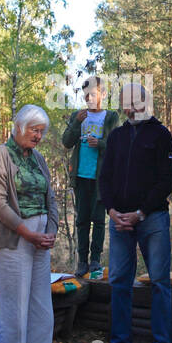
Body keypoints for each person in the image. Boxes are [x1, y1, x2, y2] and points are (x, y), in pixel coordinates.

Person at [98, 81, 172, 343]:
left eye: (135, 102)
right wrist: (112, 211)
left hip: (152, 218)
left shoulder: (160, 134)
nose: (130, 109)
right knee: (118, 280)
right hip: (119, 221)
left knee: (159, 281)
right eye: (126, 104)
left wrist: (141, 212)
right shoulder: (117, 136)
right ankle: (120, 342)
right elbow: (104, 178)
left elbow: (166, 180)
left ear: (147, 102)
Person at [0, 105, 59, 343]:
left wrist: (50, 230)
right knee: (14, 306)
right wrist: (27, 232)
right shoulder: (1, 155)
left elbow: (49, 197)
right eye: (34, 130)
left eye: (41, 131)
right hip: (14, 239)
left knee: (40, 304)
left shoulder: (38, 158)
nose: (38, 136)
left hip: (40, 238)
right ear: (18, 127)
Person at [61, 75, 119, 277]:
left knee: (99, 219)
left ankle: (95, 260)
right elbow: (67, 142)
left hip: (101, 177)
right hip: (81, 175)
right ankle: (82, 262)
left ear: (103, 94)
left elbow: (117, 147)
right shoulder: (79, 115)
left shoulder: (111, 117)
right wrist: (76, 123)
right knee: (82, 220)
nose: (88, 99)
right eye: (86, 95)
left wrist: (100, 144)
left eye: (93, 94)